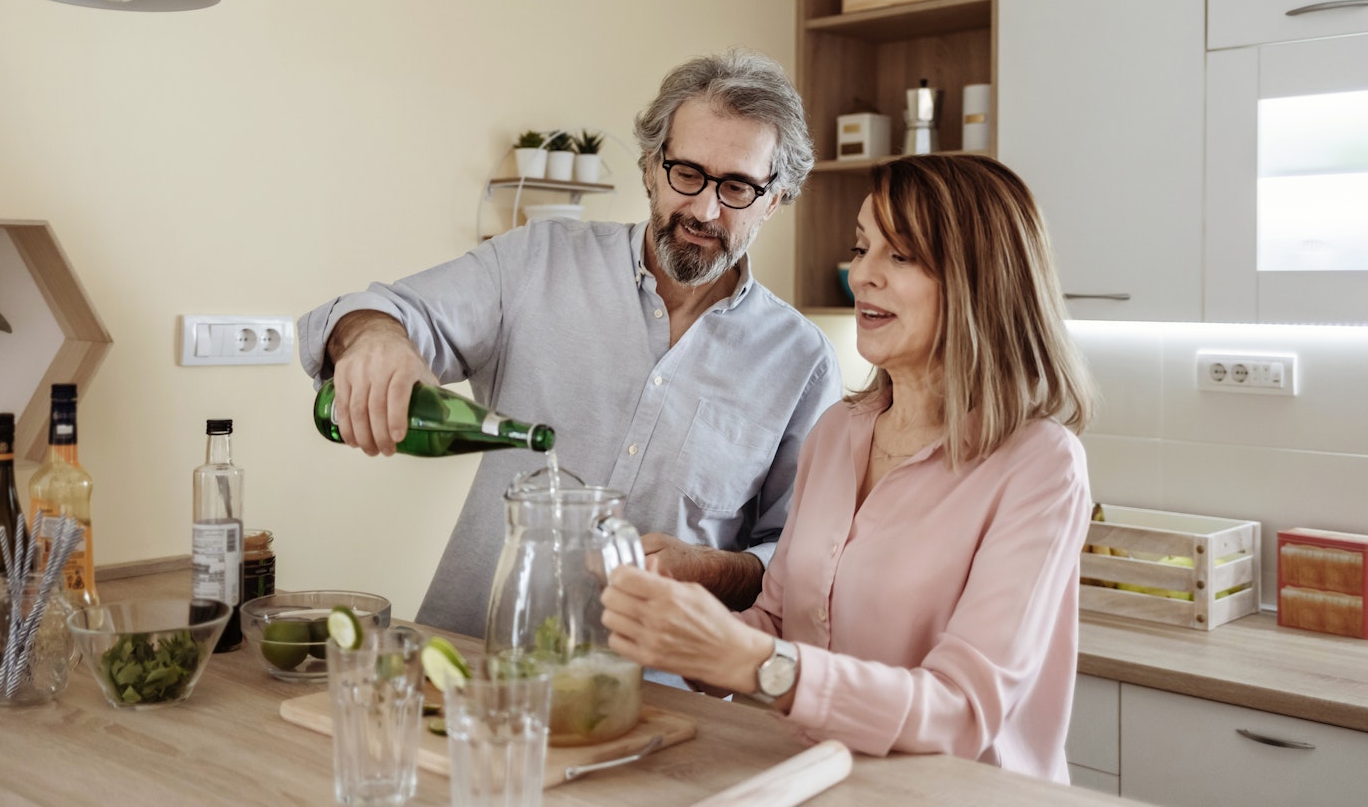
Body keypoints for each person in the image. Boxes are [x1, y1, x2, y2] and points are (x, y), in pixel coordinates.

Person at [298, 48, 843, 639]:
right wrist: (374, 336)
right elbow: (381, 312)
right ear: (650, 167)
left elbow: (798, 558)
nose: (704, 209)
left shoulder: (802, 362)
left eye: (737, 186)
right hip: (477, 661)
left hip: (661, 692)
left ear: (776, 198)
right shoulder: (538, 260)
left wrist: (714, 568)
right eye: (686, 173)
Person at [600, 154, 1097, 782]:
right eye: (861, 248)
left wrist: (751, 662)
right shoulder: (838, 432)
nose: (862, 275)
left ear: (981, 280)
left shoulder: (1038, 465)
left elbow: (962, 710)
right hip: (819, 778)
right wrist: (683, 631)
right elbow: (780, 621)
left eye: (901, 256)